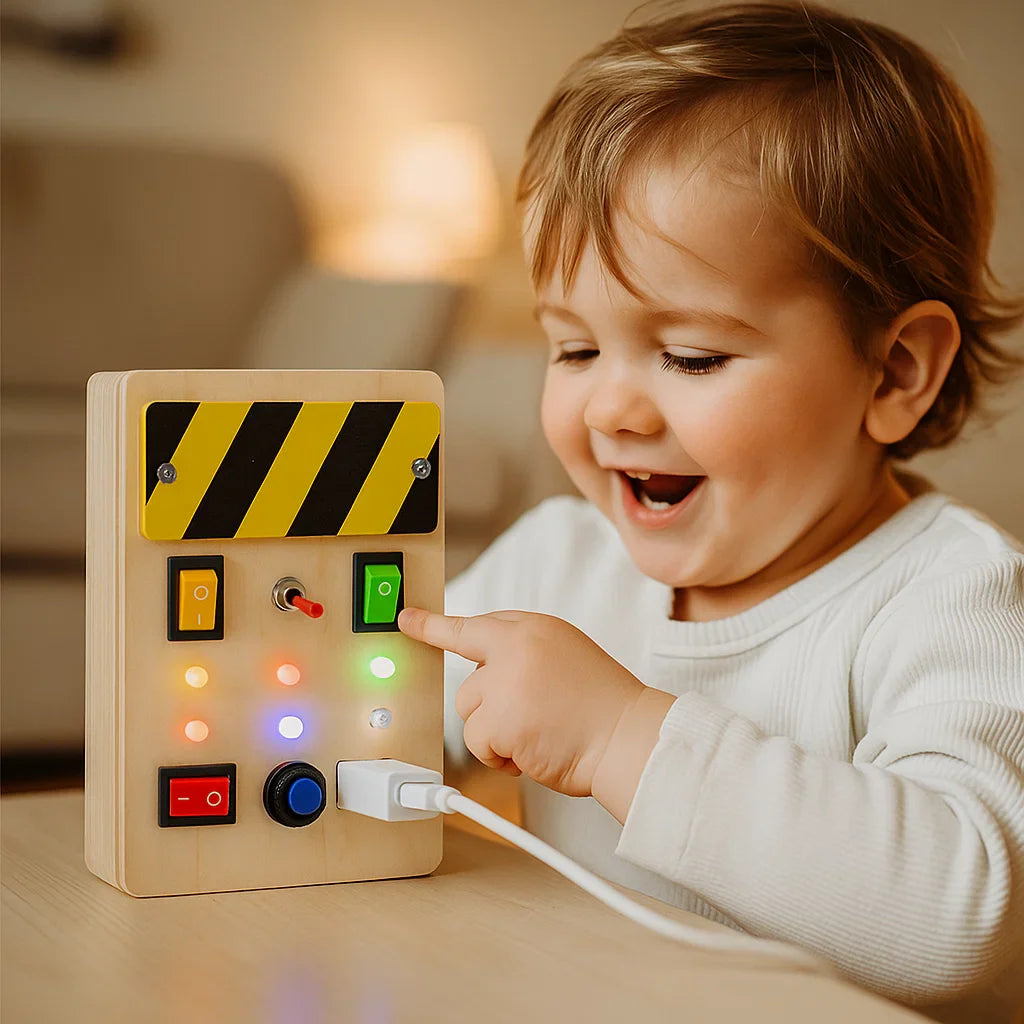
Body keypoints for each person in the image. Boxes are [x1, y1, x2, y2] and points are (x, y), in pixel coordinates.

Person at [397, 4, 1024, 1021]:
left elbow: (958, 915)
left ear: (895, 369)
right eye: (573, 348)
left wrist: (615, 736)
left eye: (691, 356)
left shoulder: (950, 598)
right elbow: (365, 731)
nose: (609, 406)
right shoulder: (554, 563)